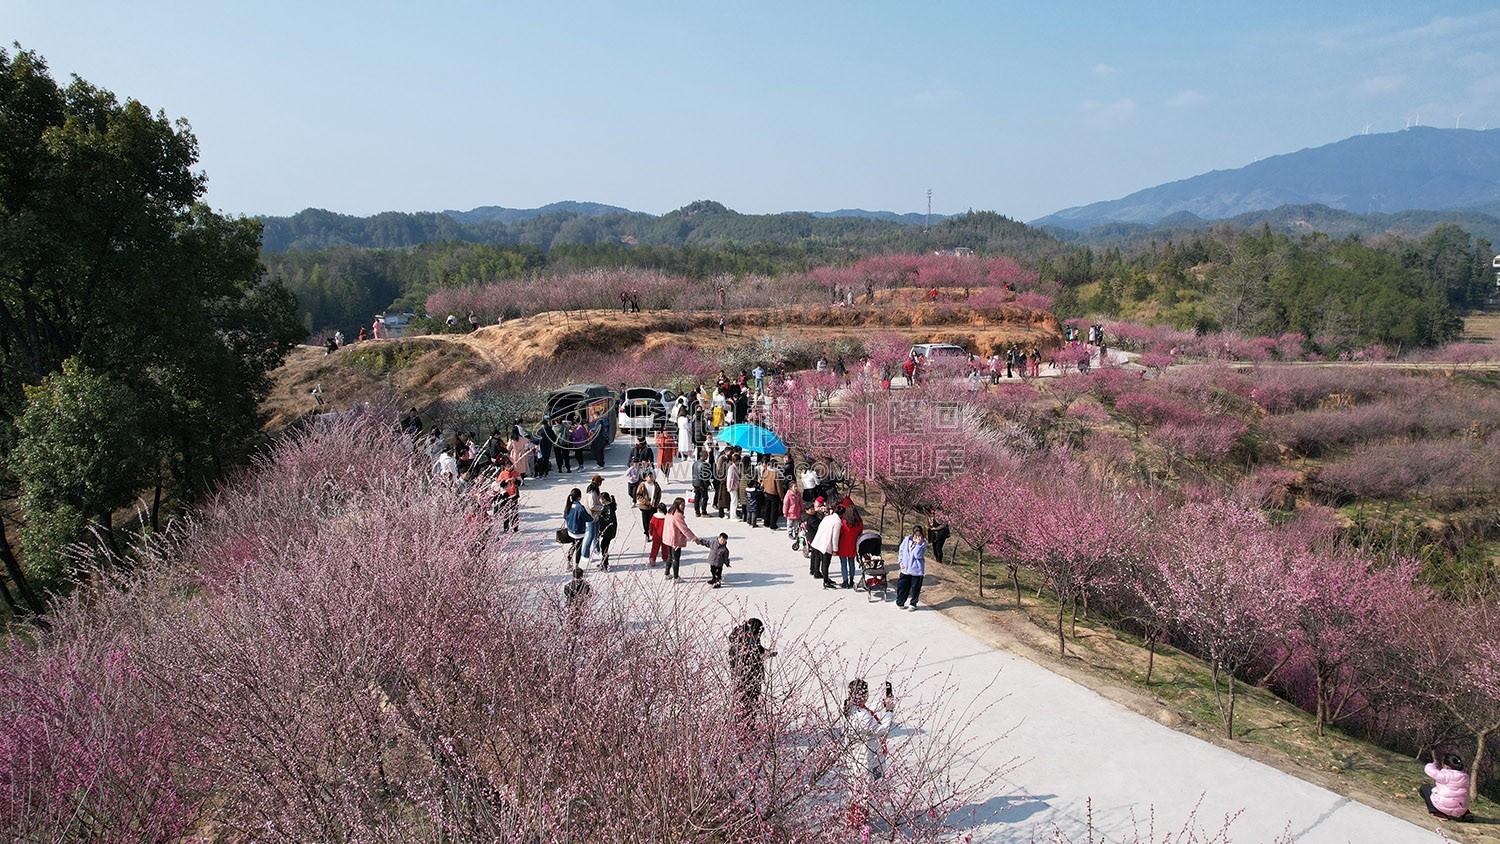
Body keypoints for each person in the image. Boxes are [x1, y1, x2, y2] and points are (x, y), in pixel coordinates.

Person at [842, 678, 895, 827]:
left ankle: (857, 820)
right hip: (865, 758)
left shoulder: (851, 707)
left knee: (857, 790)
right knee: (863, 792)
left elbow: (867, 709)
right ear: (864, 694)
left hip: (856, 755)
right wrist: (889, 711)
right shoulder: (862, 716)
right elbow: (881, 730)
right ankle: (858, 823)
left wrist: (884, 703)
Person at [730, 619, 773, 717]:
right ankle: (744, 730)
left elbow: (757, 647)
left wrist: (765, 652)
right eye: (757, 634)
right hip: (744, 681)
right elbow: (742, 660)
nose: (758, 637)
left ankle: (751, 728)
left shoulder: (751, 637)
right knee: (744, 708)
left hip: (754, 679)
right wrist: (758, 658)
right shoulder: (738, 642)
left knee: (753, 707)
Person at [660, 498, 706, 581]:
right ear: (677, 505)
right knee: (676, 558)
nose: (684, 507)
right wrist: (694, 538)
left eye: (684, 505)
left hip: (668, 537)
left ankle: (667, 573)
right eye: (682, 505)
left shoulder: (670, 512)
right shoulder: (677, 515)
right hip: (675, 539)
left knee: (670, 556)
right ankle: (676, 577)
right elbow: (684, 529)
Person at [1420, 752, 1472, 821]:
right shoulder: (1465, 776)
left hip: (1445, 806)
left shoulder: (1445, 775)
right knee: (1457, 797)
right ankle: (1465, 813)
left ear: (1445, 765)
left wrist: (1433, 764)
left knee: (1424, 788)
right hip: (1461, 808)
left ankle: (1438, 812)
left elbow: (1428, 770)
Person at [895, 525, 927, 611]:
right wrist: (900, 561)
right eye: (916, 535)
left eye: (919, 535)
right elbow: (901, 550)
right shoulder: (906, 540)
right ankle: (900, 602)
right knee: (902, 586)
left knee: (915, 588)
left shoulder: (923, 543)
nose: (917, 537)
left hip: (916, 570)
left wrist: (918, 544)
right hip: (905, 568)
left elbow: (918, 555)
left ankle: (913, 603)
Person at [812, 504, 844, 590]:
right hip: (826, 544)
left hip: (819, 541)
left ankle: (826, 578)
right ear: (841, 515)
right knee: (826, 564)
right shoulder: (837, 522)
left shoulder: (827, 517)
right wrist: (835, 549)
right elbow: (835, 537)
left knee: (822, 562)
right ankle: (826, 582)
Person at [563, 488, 592, 568]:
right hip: (579, 531)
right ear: (579, 497)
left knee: (573, 546)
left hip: (570, 530)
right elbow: (588, 518)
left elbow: (565, 516)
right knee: (578, 548)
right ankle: (576, 565)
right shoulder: (580, 507)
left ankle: (569, 562)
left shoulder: (569, 505)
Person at [836, 507, 864, 589]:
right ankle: (851, 580)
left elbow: (839, 533)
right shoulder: (859, 523)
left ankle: (845, 581)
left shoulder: (844, 523)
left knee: (843, 564)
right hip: (853, 545)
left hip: (843, 545)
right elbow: (860, 533)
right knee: (851, 563)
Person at [635, 471, 661, 537]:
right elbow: (638, 496)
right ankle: (646, 533)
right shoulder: (642, 485)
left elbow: (659, 494)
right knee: (645, 521)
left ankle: (652, 532)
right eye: (649, 476)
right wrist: (646, 502)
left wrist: (656, 503)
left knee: (653, 520)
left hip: (653, 505)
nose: (651, 478)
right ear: (646, 477)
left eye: (652, 476)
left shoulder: (656, 485)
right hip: (645, 506)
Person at [691, 450, 712, 517]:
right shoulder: (704, 464)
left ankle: (697, 512)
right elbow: (704, 476)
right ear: (704, 456)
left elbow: (693, 473)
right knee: (705, 497)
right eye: (707, 455)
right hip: (701, 484)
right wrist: (707, 484)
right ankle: (704, 512)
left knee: (697, 497)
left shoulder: (695, 463)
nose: (707, 457)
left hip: (695, 483)